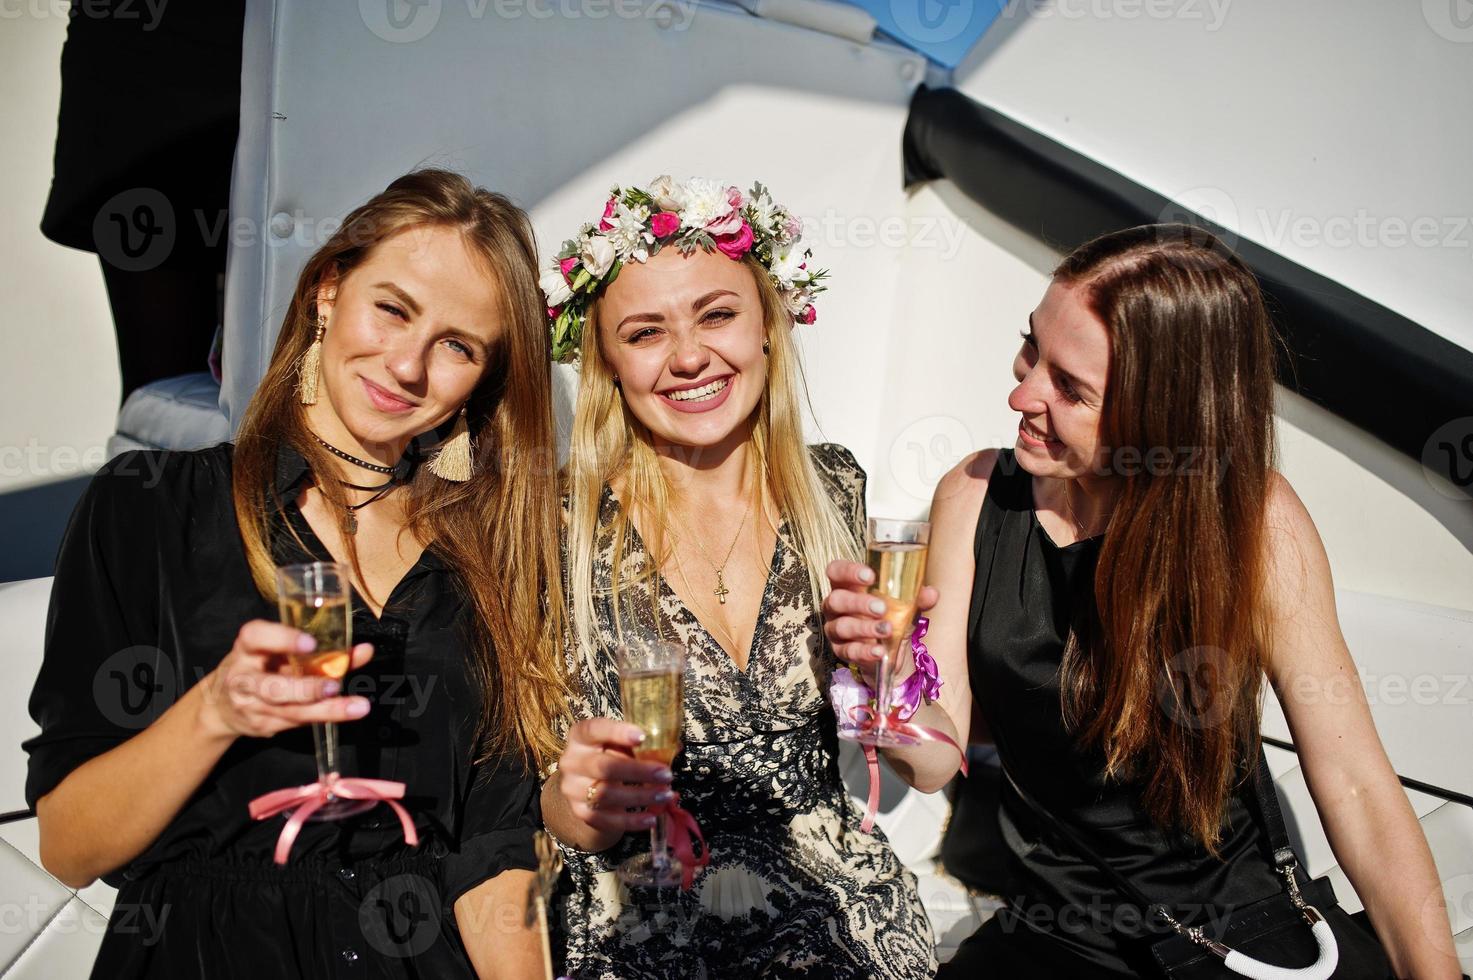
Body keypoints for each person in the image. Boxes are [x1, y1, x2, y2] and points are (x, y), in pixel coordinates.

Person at [822, 224, 1463, 977]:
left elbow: (1355, 785)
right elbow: (932, 764)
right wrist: (883, 676)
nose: (1020, 392)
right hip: (1051, 938)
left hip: (1229, 940)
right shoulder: (973, 494)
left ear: (1160, 412)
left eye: (1070, 386)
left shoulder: (1251, 522)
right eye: (1030, 347)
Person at [24, 170, 568, 979]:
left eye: (457, 345)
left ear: (480, 384)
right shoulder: (153, 506)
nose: (408, 364)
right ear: (326, 290)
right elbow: (69, 845)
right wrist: (217, 709)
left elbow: (493, 854)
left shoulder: (484, 557)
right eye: (392, 308)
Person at [538, 177, 941, 978]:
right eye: (646, 332)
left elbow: (925, 768)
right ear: (607, 362)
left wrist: (886, 675)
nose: (690, 356)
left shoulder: (832, 490)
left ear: (768, 326)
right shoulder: (555, 525)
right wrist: (577, 803)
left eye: (717, 314)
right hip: (645, 927)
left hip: (843, 917)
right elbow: (551, 818)